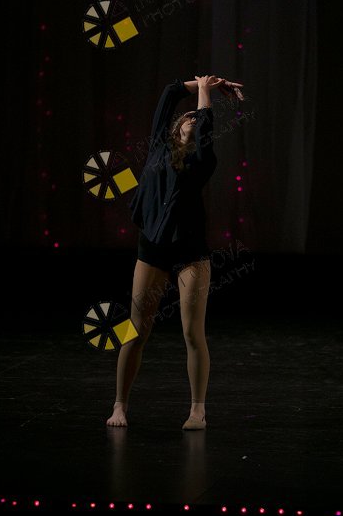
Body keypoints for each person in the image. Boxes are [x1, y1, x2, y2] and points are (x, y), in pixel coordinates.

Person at [106, 74, 245, 430]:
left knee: (192, 333)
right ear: (174, 126)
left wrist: (205, 94)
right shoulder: (157, 147)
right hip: (152, 248)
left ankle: (198, 410)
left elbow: (205, 124)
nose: (192, 119)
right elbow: (170, 93)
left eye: (196, 118)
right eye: (187, 117)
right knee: (136, 330)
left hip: (190, 252)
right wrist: (204, 83)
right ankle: (120, 405)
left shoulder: (202, 161)